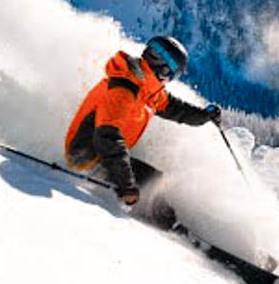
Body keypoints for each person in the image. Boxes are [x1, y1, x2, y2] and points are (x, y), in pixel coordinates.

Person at [63, 35, 221, 215]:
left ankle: (165, 218)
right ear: (163, 68)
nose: (171, 79)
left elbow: (175, 108)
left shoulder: (146, 87)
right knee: (151, 181)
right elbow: (107, 137)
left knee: (154, 179)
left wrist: (204, 116)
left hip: (102, 153)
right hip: (86, 156)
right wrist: (126, 183)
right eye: (174, 73)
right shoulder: (125, 88)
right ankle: (165, 224)